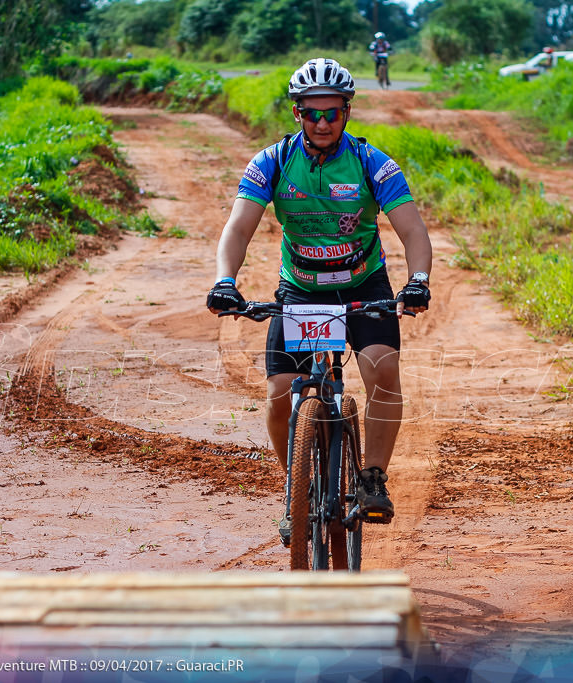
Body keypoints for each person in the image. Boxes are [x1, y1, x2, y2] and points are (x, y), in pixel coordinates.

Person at [206, 58, 432, 544]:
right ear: (297, 113)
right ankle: (297, 490)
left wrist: (418, 280)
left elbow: (412, 229)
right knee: (279, 392)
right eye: (313, 114)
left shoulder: (373, 163)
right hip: (302, 289)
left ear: (347, 113)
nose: (323, 123)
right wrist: (225, 280)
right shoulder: (271, 161)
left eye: (333, 113)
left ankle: (372, 477)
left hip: (362, 285)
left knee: (381, 368)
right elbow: (238, 228)